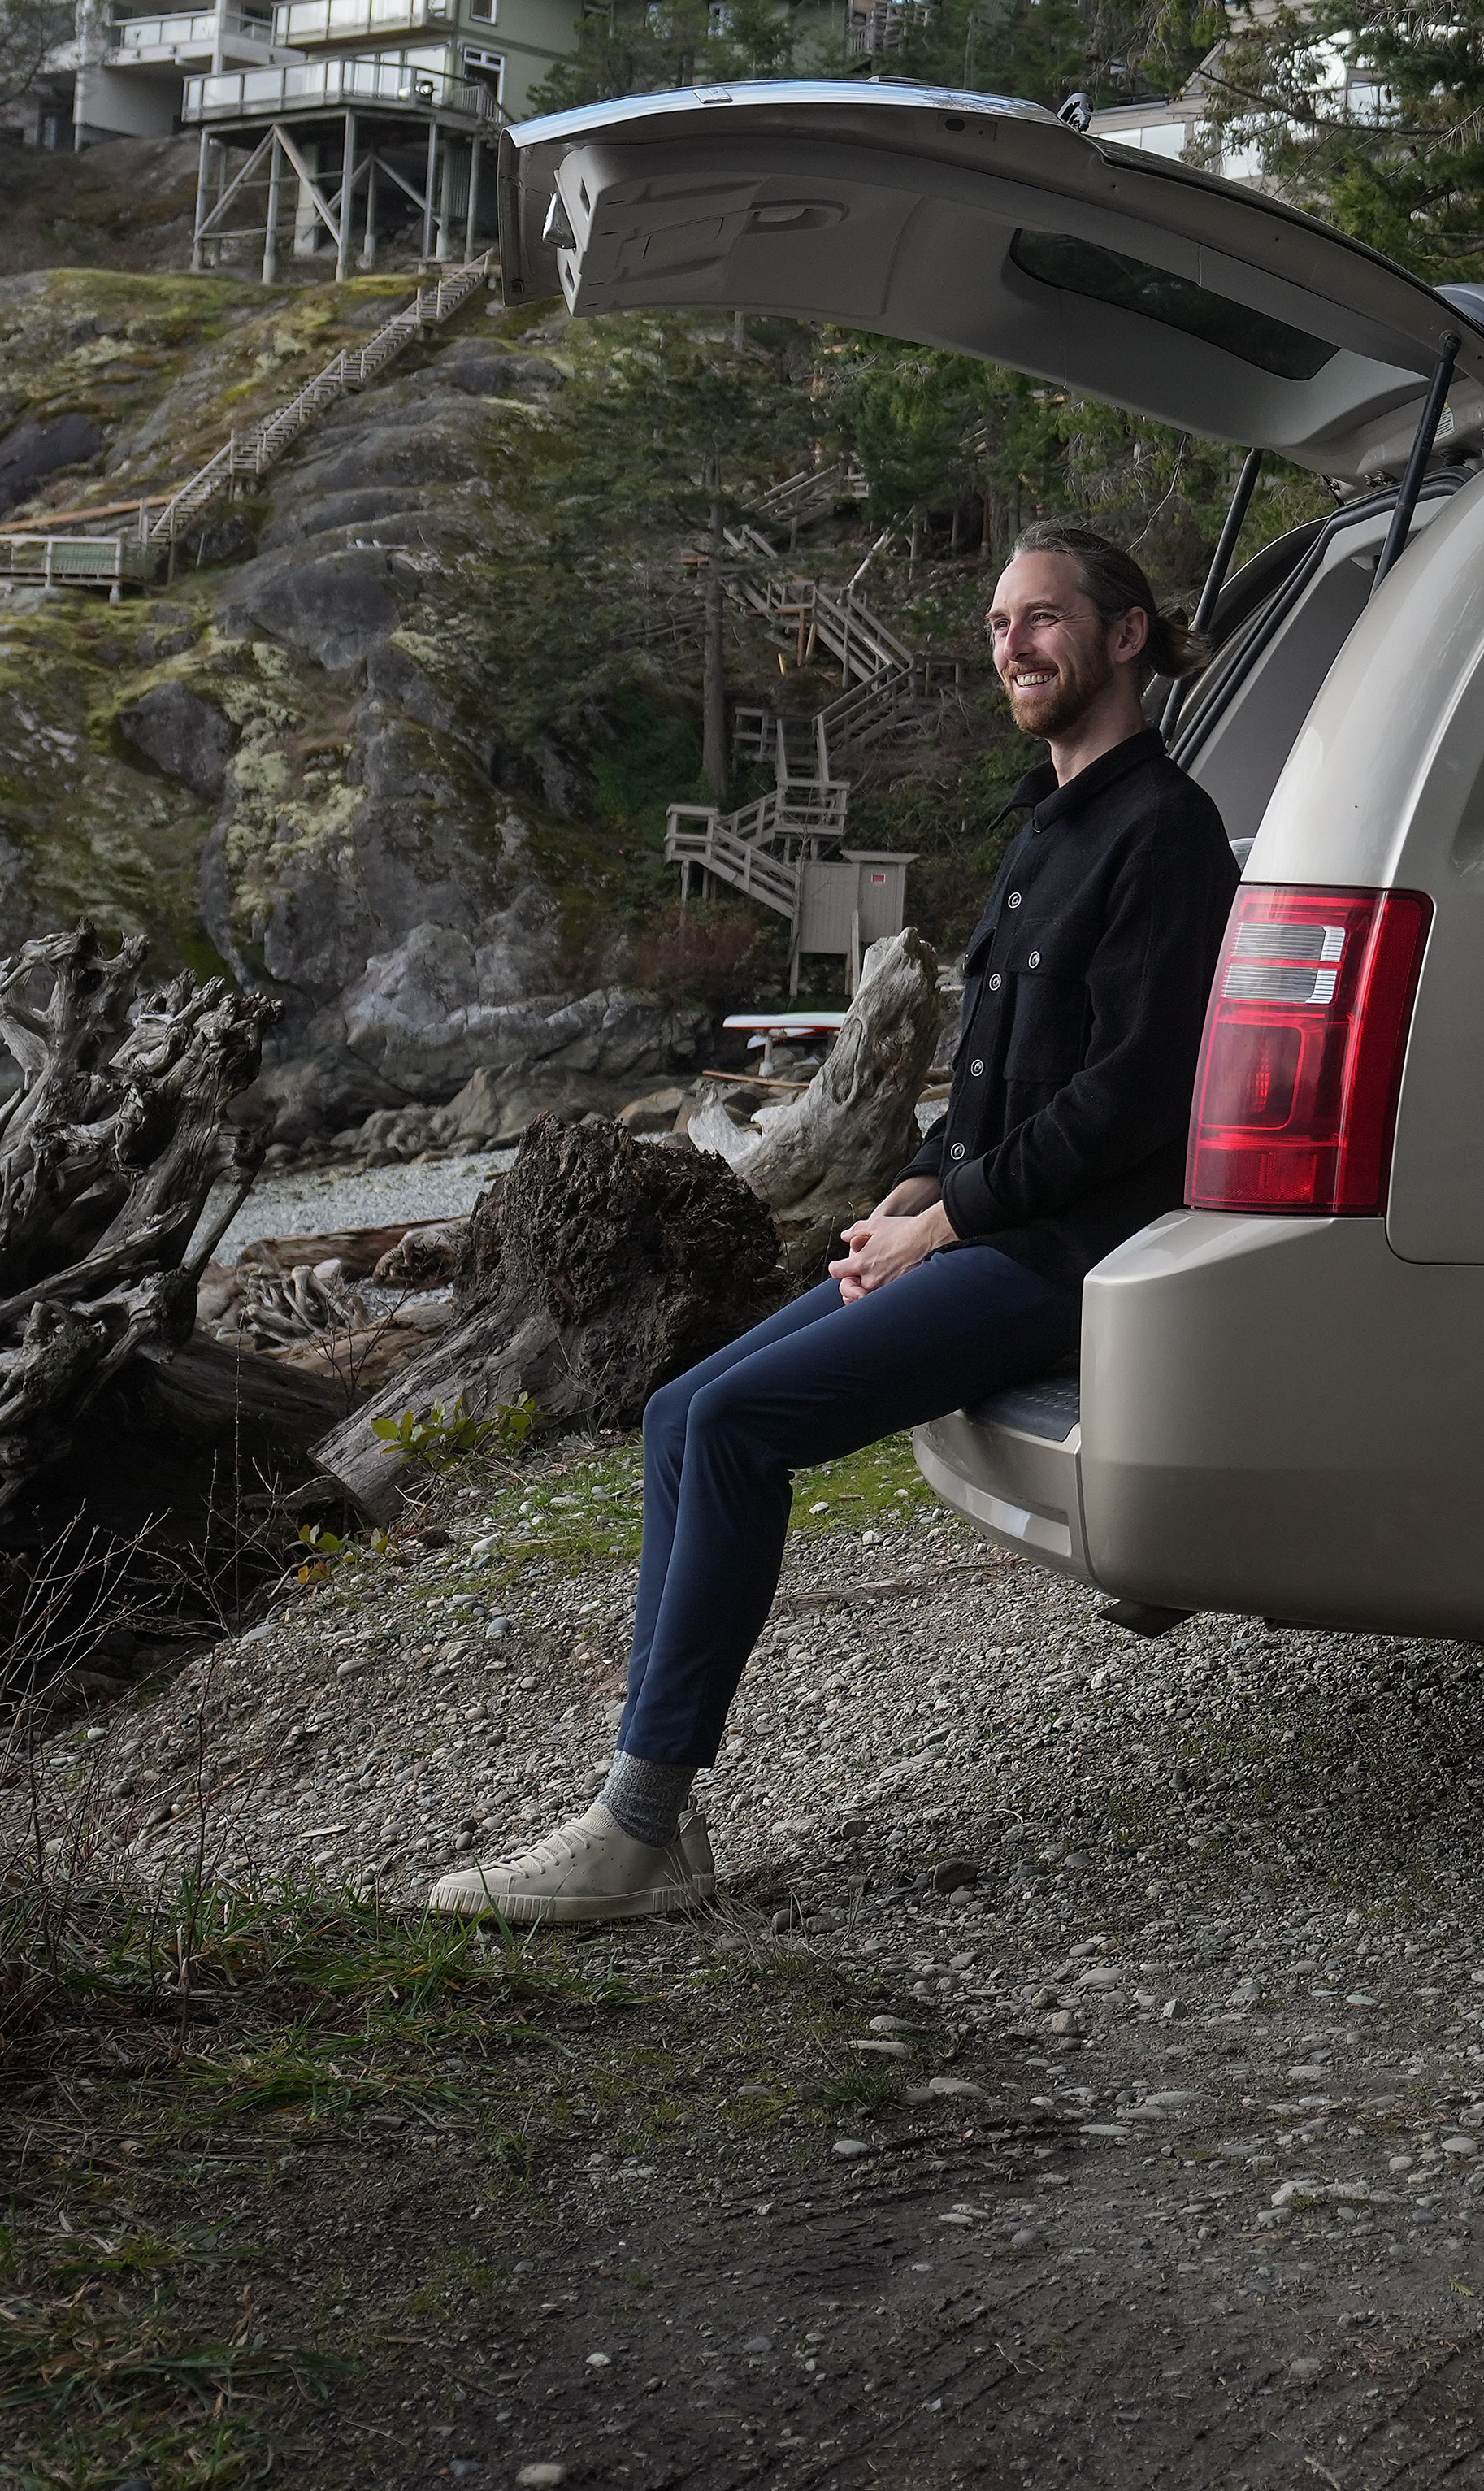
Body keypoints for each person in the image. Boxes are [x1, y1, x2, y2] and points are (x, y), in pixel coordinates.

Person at [421, 525, 1241, 1924]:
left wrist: (955, 1221)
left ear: (1125, 636)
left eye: (1042, 619)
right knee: (685, 1406)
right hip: (987, 1220)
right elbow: (993, 1074)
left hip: (1068, 1251)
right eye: (995, 625)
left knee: (743, 1428)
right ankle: (645, 1815)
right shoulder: (1048, 826)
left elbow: (1131, 1102)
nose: (1011, 646)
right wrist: (916, 1185)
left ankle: (639, 1824)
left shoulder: (1164, 831)